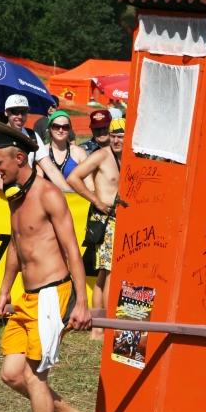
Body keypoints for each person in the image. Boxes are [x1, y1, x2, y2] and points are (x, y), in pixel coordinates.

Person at [0, 120, 96, 412]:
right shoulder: (13, 194)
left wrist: (82, 302)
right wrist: (5, 289)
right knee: (11, 373)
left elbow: (72, 250)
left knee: (35, 377)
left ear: (19, 158)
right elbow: (16, 245)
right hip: (28, 296)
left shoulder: (48, 194)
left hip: (52, 295)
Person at [67, 118, 125, 339]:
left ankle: (98, 329)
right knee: (111, 272)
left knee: (103, 273)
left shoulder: (127, 158)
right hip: (105, 221)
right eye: (113, 136)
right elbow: (73, 178)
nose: (116, 141)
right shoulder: (101, 155)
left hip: (119, 220)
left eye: (121, 136)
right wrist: (97, 201)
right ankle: (107, 327)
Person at [0, 94, 67, 192]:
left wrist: (70, 192)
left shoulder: (33, 136)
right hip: (1, 193)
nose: (20, 116)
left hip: (27, 193)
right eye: (15, 112)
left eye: (23, 112)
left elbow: (50, 169)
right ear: (6, 112)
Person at [45, 110, 90, 192]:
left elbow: (90, 185)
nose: (60, 130)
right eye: (56, 126)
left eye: (65, 127)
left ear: (70, 129)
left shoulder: (79, 153)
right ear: (50, 128)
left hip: (74, 198)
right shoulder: (42, 151)